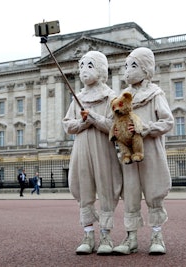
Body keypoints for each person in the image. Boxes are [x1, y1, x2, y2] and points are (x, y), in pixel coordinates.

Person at [112, 47, 174, 256]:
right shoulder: (123, 97)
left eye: (133, 66)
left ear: (146, 69)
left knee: (154, 192)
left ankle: (157, 236)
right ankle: (131, 239)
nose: (128, 71)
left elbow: (167, 121)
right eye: (127, 66)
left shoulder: (155, 94)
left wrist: (144, 128)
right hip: (129, 153)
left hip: (151, 150)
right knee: (130, 194)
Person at [62, 51, 122, 255]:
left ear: (100, 69)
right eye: (81, 66)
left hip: (102, 147)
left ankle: (106, 234)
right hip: (81, 148)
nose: (83, 71)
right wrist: (82, 123)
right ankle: (88, 234)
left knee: (106, 188)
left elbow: (115, 126)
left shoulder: (111, 96)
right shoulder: (78, 98)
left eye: (89, 65)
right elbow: (68, 125)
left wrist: (94, 118)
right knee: (84, 188)